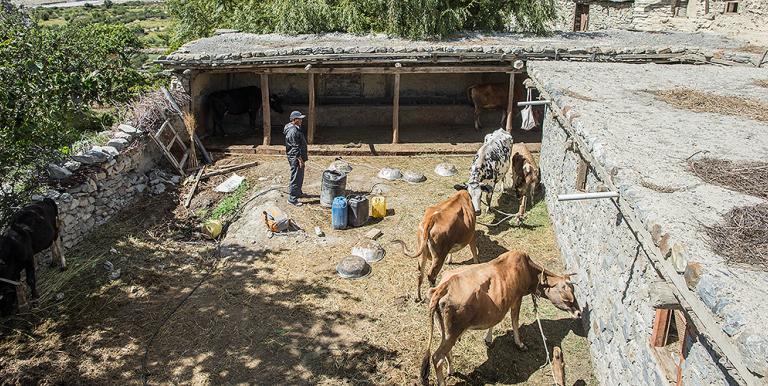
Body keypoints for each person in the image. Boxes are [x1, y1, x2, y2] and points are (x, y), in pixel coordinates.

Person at [284, 111, 308, 206]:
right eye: (299, 119)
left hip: (297, 156)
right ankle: (292, 199)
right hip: (296, 157)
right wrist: (300, 160)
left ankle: (298, 192)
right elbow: (294, 147)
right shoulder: (292, 131)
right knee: (296, 177)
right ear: (294, 120)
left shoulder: (295, 128)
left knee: (299, 175)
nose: (301, 120)